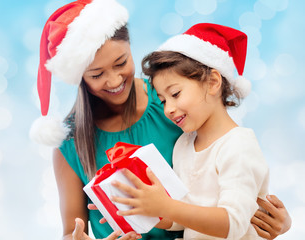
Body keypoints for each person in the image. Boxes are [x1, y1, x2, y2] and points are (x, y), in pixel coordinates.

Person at [29, 0, 291, 239]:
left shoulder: (173, 101)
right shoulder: (71, 142)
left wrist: (275, 220)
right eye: (97, 74)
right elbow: (71, 231)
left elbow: (232, 175)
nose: (114, 80)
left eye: (121, 63)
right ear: (80, 77)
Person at [110, 23, 291, 239]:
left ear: (213, 82)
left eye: (175, 94)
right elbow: (181, 217)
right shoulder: (183, 145)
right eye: (162, 100)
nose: (168, 109)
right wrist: (143, 206)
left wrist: (166, 206)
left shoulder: (238, 145)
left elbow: (233, 224)